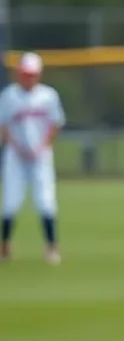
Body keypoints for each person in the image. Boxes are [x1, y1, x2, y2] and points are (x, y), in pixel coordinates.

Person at [0, 52, 66, 263]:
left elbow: (56, 124)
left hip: (41, 157)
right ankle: (5, 246)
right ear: (19, 74)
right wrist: (16, 146)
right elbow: (3, 126)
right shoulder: (9, 96)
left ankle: (52, 247)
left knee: (46, 201)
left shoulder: (48, 96)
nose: (28, 78)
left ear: (39, 75)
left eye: (32, 74)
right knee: (11, 202)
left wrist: (42, 147)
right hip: (16, 157)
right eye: (25, 74)